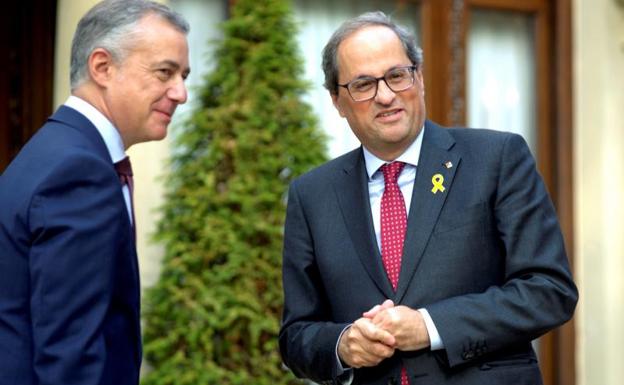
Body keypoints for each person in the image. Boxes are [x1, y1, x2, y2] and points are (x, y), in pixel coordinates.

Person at [279, 11, 577, 385]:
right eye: (363, 84)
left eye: (396, 76)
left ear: (418, 78)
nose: (385, 96)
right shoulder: (312, 195)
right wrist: (342, 346)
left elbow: (548, 291)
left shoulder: (496, 159)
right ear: (337, 101)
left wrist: (430, 325)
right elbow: (295, 336)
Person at [0, 1, 189, 384]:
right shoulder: (79, 171)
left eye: (183, 75)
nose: (181, 93)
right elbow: (71, 353)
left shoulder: (57, 149)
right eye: (165, 72)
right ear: (102, 67)